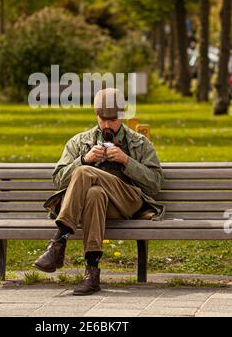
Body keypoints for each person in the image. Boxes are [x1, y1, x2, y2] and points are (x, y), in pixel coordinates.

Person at [34, 88, 165, 295]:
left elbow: (155, 183)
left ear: (121, 116)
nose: (107, 125)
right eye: (103, 119)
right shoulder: (80, 142)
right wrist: (85, 159)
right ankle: (92, 273)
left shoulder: (139, 143)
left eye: (112, 120)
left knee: (85, 173)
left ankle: (58, 241)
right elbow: (58, 179)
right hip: (97, 207)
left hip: (128, 203)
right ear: (96, 115)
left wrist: (126, 161)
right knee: (94, 193)